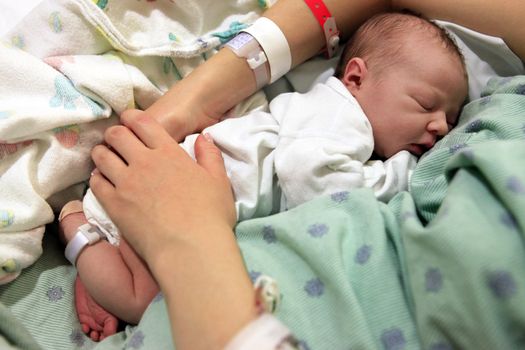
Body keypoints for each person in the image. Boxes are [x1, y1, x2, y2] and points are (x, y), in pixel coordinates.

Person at [69, 0, 524, 348]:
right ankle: (76, 228)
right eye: (426, 106)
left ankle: (92, 252)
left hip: (168, 200)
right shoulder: (343, 119)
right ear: (356, 78)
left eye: (448, 117)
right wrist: (402, 170)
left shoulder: (348, 124)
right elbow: (313, 180)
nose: (441, 127)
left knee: (131, 287)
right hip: (162, 190)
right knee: (137, 296)